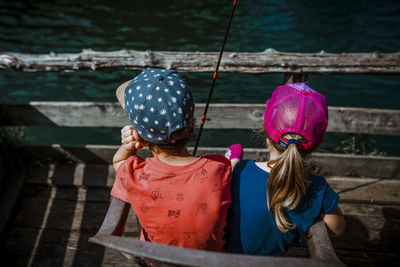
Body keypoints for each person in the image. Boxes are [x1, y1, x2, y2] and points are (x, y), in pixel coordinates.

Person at [111, 68, 232, 251]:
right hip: (208, 262)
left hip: (157, 260)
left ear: (141, 134)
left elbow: (117, 163)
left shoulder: (134, 175)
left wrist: (128, 146)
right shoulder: (220, 167)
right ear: (190, 122)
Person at [225, 83, 345, 255]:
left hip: (223, 261)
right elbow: (337, 229)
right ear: (315, 147)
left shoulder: (241, 172)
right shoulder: (317, 189)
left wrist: (235, 166)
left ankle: (232, 160)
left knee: (232, 170)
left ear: (266, 136)